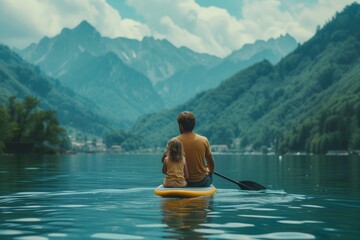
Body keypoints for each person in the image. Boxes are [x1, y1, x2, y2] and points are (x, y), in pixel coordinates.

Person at [175, 111, 215, 187]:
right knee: (209, 175)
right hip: (201, 182)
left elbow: (166, 161)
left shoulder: (174, 142)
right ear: (193, 125)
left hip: (181, 182)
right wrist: (209, 171)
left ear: (180, 126)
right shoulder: (204, 140)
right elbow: (210, 161)